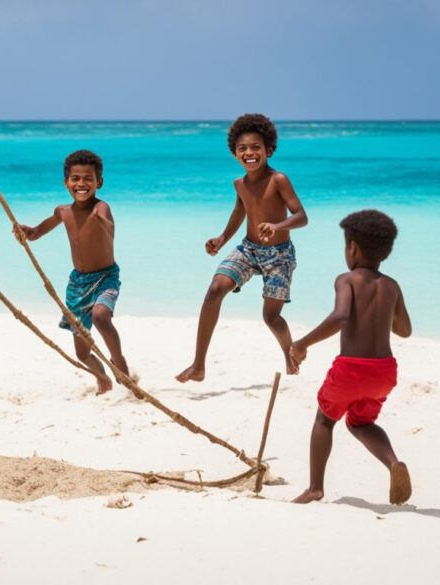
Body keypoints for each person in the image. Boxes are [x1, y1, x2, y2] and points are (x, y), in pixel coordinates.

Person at [289, 210, 412, 505]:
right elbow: (405, 330)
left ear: (352, 248)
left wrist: (303, 342)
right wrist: (383, 315)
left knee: (324, 419)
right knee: (360, 423)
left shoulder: (347, 279)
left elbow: (341, 316)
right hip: (384, 372)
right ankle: (393, 463)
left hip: (351, 369)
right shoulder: (392, 286)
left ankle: (315, 487)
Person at [176, 113, 308, 383]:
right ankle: (198, 365)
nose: (249, 153)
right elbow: (240, 211)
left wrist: (278, 226)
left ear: (268, 150)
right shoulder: (240, 184)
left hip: (279, 255)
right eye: (243, 148)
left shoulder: (278, 179)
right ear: (234, 153)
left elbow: (301, 216)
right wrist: (222, 239)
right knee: (215, 289)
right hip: (248, 250)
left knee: (271, 318)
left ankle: (289, 352)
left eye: (256, 147)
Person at [15, 149, 130, 395]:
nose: (81, 183)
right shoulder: (62, 212)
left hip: (105, 278)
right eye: (75, 178)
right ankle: (103, 380)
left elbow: (107, 224)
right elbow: (35, 234)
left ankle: (118, 361)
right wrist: (25, 232)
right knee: (82, 353)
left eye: (88, 178)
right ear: (66, 182)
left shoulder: (102, 208)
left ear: (99, 182)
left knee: (101, 316)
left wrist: (103, 222)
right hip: (78, 284)